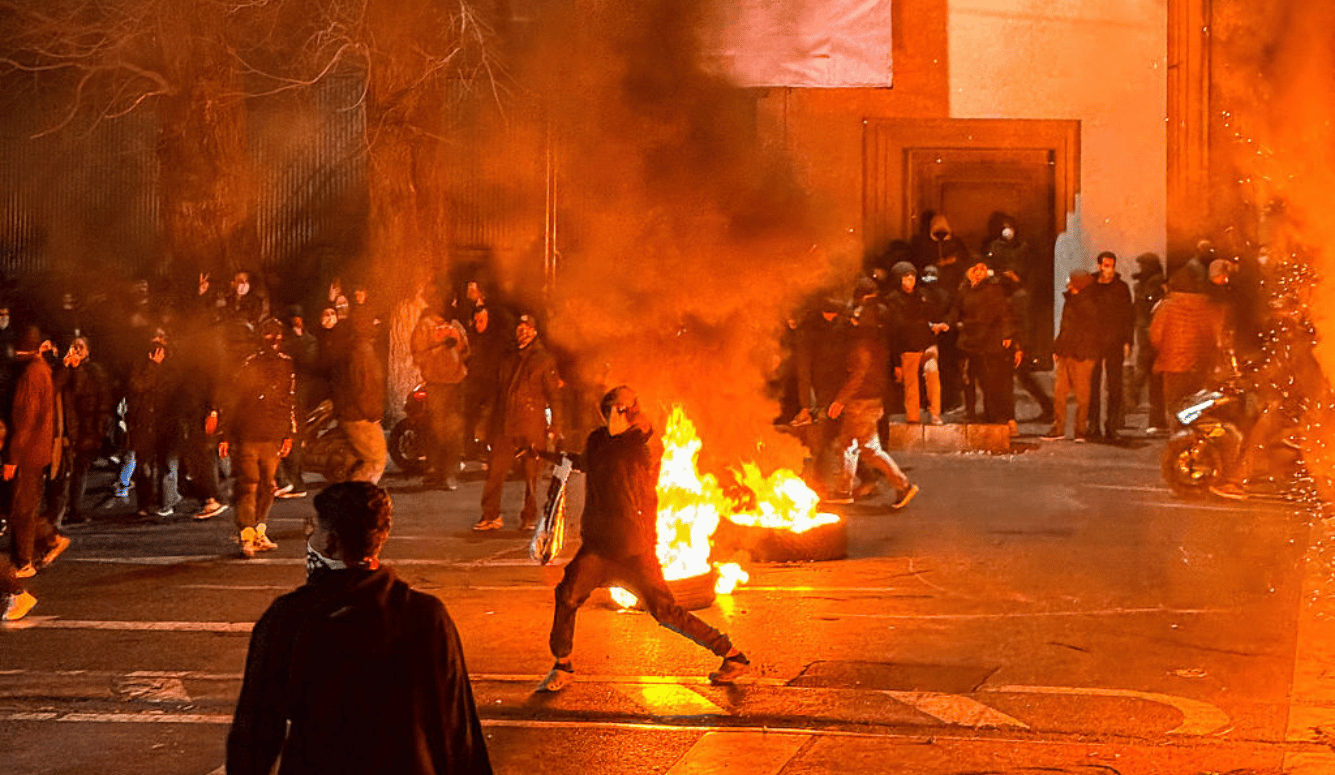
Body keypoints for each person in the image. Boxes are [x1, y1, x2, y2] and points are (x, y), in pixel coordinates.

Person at [227, 481, 492, 774]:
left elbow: (254, 732)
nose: (311, 538)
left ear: (332, 542)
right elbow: (455, 725)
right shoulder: (426, 616)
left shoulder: (290, 618)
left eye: (314, 530)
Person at [536, 386, 750, 693]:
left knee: (666, 612)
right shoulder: (597, 441)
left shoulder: (635, 446)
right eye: (614, 405)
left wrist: (650, 539)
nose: (618, 411)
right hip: (597, 545)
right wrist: (538, 452)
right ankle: (562, 665)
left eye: (623, 407)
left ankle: (732, 655)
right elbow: (582, 462)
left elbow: (648, 494)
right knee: (567, 594)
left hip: (631, 548)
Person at [826, 303, 920, 508]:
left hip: (861, 401)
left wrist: (840, 400)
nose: (854, 320)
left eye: (858, 317)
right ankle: (844, 490)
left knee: (868, 449)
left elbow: (859, 374)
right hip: (872, 399)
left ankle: (903, 485)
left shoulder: (863, 344)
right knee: (849, 445)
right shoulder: (878, 340)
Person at [476, 314, 562, 531]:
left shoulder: (543, 360)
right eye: (519, 327)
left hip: (531, 424)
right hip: (506, 423)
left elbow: (554, 395)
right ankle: (490, 515)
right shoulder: (508, 358)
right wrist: (485, 423)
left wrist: (556, 425)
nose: (522, 332)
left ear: (534, 332)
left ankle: (530, 517)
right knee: (496, 470)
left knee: (532, 475)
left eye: (527, 328)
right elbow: (496, 393)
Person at [222, 318, 296, 558]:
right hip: (252, 435)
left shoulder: (284, 365)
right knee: (251, 485)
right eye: (268, 335)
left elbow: (289, 401)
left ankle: (255, 531)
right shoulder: (250, 365)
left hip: (268, 435)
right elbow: (235, 400)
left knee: (265, 486)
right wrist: (227, 434)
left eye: (276, 335)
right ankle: (248, 534)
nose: (273, 340)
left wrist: (288, 434)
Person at [5, 326, 68, 578]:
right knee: (25, 505)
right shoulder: (41, 370)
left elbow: (25, 420)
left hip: (28, 452)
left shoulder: (30, 374)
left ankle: (24, 561)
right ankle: (48, 539)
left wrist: (12, 458)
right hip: (37, 450)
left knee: (22, 507)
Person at [1150, 269, 1227, 429]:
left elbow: (1155, 336)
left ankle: (1179, 439)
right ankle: (1194, 436)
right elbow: (1215, 333)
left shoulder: (1167, 306)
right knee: (1196, 405)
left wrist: (1164, 350)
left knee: (1174, 405)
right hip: (1199, 365)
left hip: (1173, 365)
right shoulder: (1206, 305)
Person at [946, 258, 1016, 425]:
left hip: (987, 341)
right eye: (975, 270)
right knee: (968, 379)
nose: (979, 273)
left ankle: (991, 414)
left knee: (988, 380)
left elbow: (1003, 313)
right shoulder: (964, 290)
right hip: (968, 341)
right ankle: (970, 412)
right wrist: (948, 324)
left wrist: (1007, 334)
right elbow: (956, 310)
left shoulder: (993, 289)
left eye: (982, 270)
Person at [51, 336, 112, 524]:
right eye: (73, 346)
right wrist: (67, 367)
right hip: (69, 428)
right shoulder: (64, 369)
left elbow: (92, 396)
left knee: (80, 470)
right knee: (65, 471)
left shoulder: (95, 371)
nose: (76, 350)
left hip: (87, 428)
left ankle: (75, 507)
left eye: (81, 347)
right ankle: (61, 510)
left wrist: (99, 430)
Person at [410, 303, 470, 490]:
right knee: (436, 428)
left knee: (454, 430)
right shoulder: (425, 326)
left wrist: (457, 343)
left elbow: (466, 351)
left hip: (456, 384)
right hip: (436, 385)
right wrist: (440, 346)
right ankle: (434, 470)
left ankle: (448, 473)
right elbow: (419, 356)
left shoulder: (455, 326)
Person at [1044, 271, 1102, 441]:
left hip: (1082, 355)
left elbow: (1088, 330)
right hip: (1066, 353)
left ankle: (1080, 430)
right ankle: (1058, 428)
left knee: (1082, 395)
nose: (1068, 284)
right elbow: (1066, 328)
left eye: (1071, 281)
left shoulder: (1089, 303)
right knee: (1060, 393)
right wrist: (1058, 347)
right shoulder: (1071, 300)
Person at [884, 262, 943, 425]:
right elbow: (896, 328)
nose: (910, 280)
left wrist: (933, 327)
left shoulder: (922, 296)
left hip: (927, 343)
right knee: (911, 384)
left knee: (933, 377)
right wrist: (896, 361)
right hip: (908, 346)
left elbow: (929, 315)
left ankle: (935, 413)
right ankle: (913, 416)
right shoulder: (893, 299)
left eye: (913, 276)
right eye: (906, 276)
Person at [334, 312, 388, 484]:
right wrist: (373, 413)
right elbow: (364, 388)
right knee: (375, 460)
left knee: (358, 460)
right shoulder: (362, 353)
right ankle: (357, 500)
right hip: (360, 416)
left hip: (351, 413)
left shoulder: (354, 349)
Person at [1088, 251, 1134, 440]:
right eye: (1106, 265)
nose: (1109, 270)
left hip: (1114, 340)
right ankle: (1093, 424)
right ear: (1099, 266)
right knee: (1093, 384)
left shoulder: (1121, 288)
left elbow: (1128, 316)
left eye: (1112, 266)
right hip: (1093, 340)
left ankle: (1112, 426)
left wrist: (1128, 340)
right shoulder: (1090, 286)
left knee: (1115, 385)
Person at [1130, 253, 1167, 433]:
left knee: (1151, 375)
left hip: (1150, 333)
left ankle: (1134, 399)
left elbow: (1149, 304)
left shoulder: (1155, 283)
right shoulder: (1147, 282)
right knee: (1150, 376)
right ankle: (1154, 417)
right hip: (1145, 332)